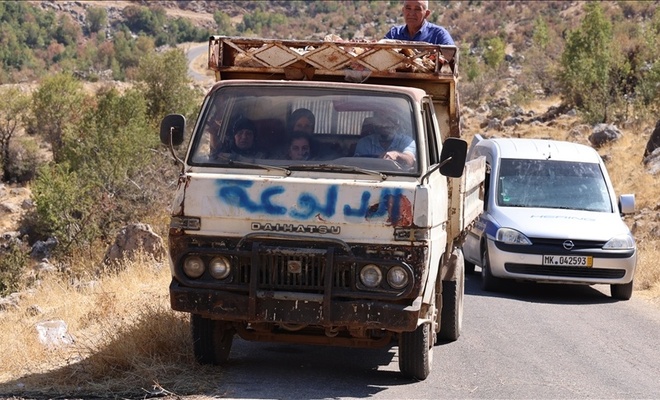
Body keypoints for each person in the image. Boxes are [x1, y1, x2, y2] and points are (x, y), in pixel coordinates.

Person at [384, 0, 455, 45]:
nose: (411, 13)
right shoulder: (394, 34)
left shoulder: (439, 35)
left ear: (426, 14)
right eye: (408, 8)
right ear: (403, 10)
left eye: (417, 9)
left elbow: (450, 60)